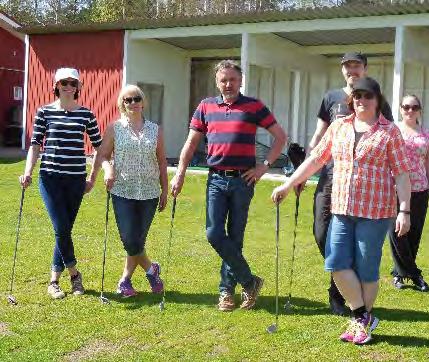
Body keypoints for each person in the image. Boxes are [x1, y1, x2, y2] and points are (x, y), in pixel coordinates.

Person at [272, 77, 411, 346]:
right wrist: (289, 183)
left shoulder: (390, 132)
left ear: (377, 100)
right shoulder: (339, 127)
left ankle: (361, 321)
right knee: (336, 263)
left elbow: (402, 174)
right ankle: (362, 316)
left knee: (366, 269)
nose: (361, 100)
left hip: (375, 211)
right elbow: (315, 159)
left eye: (367, 96)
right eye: (357, 96)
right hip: (341, 207)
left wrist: (404, 210)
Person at [170, 60, 287, 311]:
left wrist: (264, 166)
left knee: (235, 237)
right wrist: (179, 173)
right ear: (217, 82)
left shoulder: (254, 106)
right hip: (216, 179)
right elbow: (191, 143)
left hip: (244, 180)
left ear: (240, 80)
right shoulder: (205, 107)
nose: (228, 84)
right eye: (223, 80)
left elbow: (280, 137)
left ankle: (226, 292)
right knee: (214, 233)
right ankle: (249, 281)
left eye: (233, 79)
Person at [307, 52, 394, 315]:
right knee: (323, 234)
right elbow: (321, 131)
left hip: (362, 184)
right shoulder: (331, 98)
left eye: (356, 65)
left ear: (365, 69)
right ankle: (347, 281)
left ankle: (340, 297)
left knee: (352, 246)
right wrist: (307, 162)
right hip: (330, 175)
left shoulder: (374, 98)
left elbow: (387, 135)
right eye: (347, 66)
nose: (351, 70)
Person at [19, 67, 102, 299]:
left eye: (72, 82)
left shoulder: (86, 114)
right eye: (63, 82)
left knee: (63, 231)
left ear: (78, 87)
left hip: (75, 180)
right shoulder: (44, 112)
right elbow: (35, 145)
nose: (68, 86)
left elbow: (99, 147)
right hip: (50, 178)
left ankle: (54, 280)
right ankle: (73, 275)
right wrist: (28, 172)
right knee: (61, 228)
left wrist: (99, 174)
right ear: (56, 85)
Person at [92, 84, 168, 297]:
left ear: (143, 102)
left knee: (138, 240)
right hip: (122, 190)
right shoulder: (115, 128)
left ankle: (125, 281)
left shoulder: (156, 129)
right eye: (127, 100)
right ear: (122, 104)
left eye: (136, 99)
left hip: (150, 192)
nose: (132, 103)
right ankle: (152, 270)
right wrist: (107, 171)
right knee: (130, 239)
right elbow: (103, 156)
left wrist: (164, 190)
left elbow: (162, 161)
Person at [388, 95, 429, 292]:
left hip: (420, 189)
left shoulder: (427, 135)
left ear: (419, 110)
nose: (410, 110)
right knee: (397, 232)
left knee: (413, 234)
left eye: (414, 107)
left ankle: (399, 274)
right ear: (400, 109)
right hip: (394, 188)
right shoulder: (392, 130)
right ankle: (415, 275)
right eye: (406, 107)